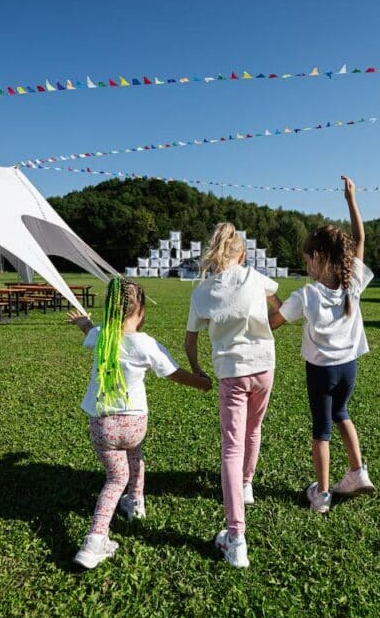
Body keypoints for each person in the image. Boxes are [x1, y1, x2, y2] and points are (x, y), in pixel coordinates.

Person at [68, 277, 211, 569]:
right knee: (134, 456)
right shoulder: (146, 344)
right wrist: (200, 383)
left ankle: (112, 522)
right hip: (134, 425)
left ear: (110, 310)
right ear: (141, 311)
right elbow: (173, 373)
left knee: (113, 477)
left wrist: (84, 322)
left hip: (103, 426)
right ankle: (118, 517)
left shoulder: (101, 335)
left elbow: (89, 330)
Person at [269, 176, 375, 513]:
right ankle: (358, 472)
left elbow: (274, 324)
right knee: (342, 413)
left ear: (318, 257)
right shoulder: (352, 281)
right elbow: (359, 238)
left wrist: (271, 299)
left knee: (321, 430)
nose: (304, 266)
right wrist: (351, 199)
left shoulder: (305, 295)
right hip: (349, 367)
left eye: (305, 260)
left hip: (321, 372)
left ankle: (322, 494)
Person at [185, 223, 280, 568]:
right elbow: (277, 304)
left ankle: (236, 536)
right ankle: (247, 484)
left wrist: (197, 371)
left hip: (231, 373)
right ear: (241, 253)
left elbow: (190, 340)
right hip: (264, 367)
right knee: (254, 430)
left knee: (231, 446)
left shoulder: (202, 291)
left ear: (213, 255)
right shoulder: (254, 277)